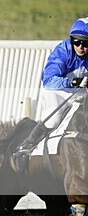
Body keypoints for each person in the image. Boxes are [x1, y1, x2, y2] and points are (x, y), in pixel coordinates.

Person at [11, 17, 88, 172]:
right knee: (53, 120)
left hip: (80, 92)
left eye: (86, 43)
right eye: (77, 41)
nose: (80, 47)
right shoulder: (63, 50)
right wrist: (74, 82)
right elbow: (49, 80)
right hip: (57, 91)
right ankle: (26, 148)